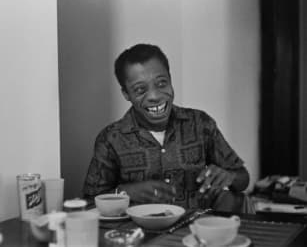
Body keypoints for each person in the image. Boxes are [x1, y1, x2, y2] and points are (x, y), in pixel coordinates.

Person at [83, 43, 252, 213]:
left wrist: (229, 177)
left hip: (197, 234)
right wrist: (126, 192)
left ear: (170, 79)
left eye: (162, 83)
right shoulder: (111, 139)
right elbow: (89, 203)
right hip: (140, 236)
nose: (154, 96)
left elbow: (243, 179)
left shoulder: (200, 123)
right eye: (140, 90)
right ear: (126, 94)